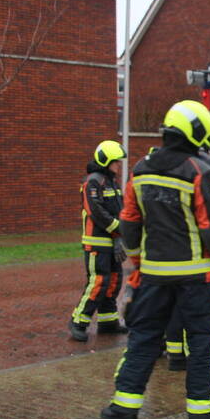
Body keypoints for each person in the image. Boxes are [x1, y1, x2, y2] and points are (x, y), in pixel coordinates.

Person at [100, 100, 210, 419]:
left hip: (153, 276)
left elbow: (129, 220)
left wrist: (137, 261)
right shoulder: (198, 170)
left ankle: (123, 409)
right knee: (202, 340)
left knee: (144, 338)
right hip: (195, 277)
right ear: (196, 132)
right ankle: (202, 410)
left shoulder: (141, 169)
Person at [69, 140, 127, 341]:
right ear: (106, 161)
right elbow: (96, 211)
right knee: (98, 282)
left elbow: (120, 209)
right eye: (116, 162)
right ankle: (78, 322)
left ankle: (108, 322)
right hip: (97, 243)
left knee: (113, 282)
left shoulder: (112, 182)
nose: (119, 166)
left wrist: (121, 235)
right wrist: (117, 228)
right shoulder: (92, 181)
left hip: (113, 242)